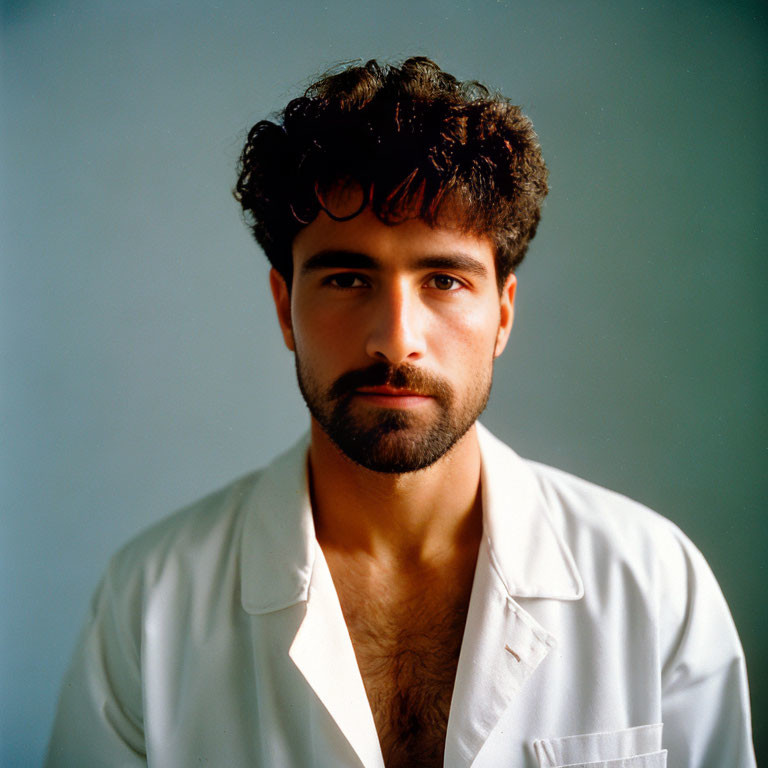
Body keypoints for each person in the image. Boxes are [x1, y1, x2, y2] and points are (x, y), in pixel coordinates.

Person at [45, 57, 756, 768]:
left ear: (502, 314)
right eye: (347, 278)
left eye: (444, 280)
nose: (396, 339)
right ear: (283, 307)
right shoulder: (150, 604)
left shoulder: (654, 582)